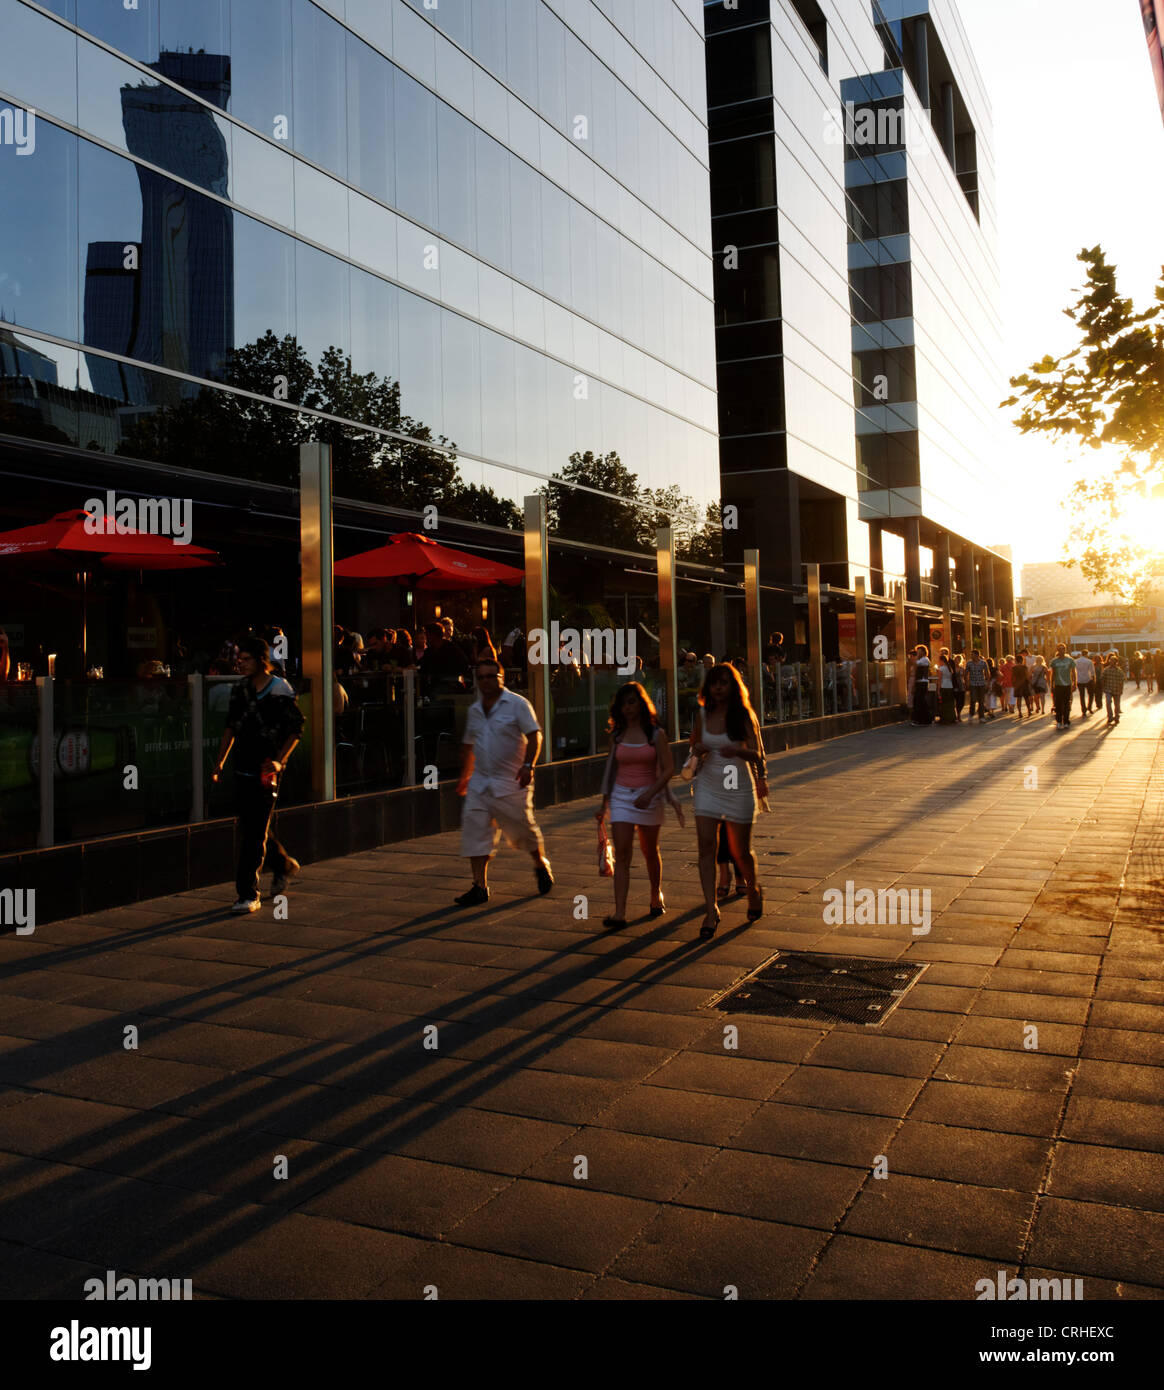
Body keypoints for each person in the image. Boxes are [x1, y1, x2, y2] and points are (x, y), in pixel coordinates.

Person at [211, 637, 304, 914]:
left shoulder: (280, 690)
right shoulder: (240, 689)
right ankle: (283, 864)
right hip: (242, 764)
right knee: (250, 825)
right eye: (239, 659)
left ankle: (247, 893)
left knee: (254, 830)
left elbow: (296, 729)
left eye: (246, 659)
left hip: (266, 769)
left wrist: (278, 761)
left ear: (262, 661)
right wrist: (219, 763)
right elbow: (231, 726)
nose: (240, 663)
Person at [454, 658, 553, 905]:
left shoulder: (518, 704)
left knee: (523, 830)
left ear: (501, 678)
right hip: (480, 783)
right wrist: (465, 776)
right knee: (475, 831)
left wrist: (529, 765)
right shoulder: (475, 710)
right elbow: (469, 746)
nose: (486, 681)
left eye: (491, 676)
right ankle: (479, 885)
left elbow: (535, 735)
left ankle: (540, 864)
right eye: (482, 677)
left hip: (511, 781)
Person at [690, 663, 767, 939]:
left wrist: (738, 750)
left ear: (733, 686)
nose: (719, 687)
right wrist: (698, 750)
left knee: (740, 851)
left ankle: (753, 890)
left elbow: (757, 753)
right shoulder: (701, 714)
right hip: (708, 786)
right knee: (706, 847)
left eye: (724, 683)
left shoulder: (743, 714)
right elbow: (694, 746)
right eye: (714, 683)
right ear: (708, 687)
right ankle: (711, 910)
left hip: (738, 787)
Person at [595, 683, 675, 929]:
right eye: (623, 703)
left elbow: (669, 769)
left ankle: (655, 894)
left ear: (641, 703)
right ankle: (619, 913)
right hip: (621, 797)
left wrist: (650, 793)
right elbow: (611, 770)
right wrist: (604, 803)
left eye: (632, 702)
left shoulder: (655, 734)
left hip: (649, 796)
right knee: (622, 854)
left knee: (650, 851)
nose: (628, 707)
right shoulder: (617, 736)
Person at [419, 620, 469, 696]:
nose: (426, 637)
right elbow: (422, 665)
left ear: (433, 635)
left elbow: (464, 663)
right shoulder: (429, 651)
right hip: (434, 685)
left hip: (449, 685)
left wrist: (453, 679)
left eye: (427, 634)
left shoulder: (451, 648)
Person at [1049, 643, 1077, 729]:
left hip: (1067, 684)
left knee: (1066, 703)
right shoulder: (1054, 661)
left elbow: (1073, 672)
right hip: (1058, 685)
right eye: (1059, 649)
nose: (1061, 650)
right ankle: (1058, 721)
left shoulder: (1070, 660)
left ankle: (1066, 721)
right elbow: (1052, 673)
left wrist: (1074, 683)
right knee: (1058, 703)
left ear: (1065, 650)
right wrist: (1051, 684)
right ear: (1057, 650)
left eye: (1063, 649)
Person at [964, 648, 989, 722]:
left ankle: (981, 717)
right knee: (973, 699)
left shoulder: (983, 663)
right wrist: (966, 682)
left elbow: (987, 673)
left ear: (977, 655)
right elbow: (966, 673)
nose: (971, 656)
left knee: (981, 701)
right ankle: (971, 714)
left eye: (973, 655)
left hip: (981, 683)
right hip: (973, 683)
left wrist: (987, 682)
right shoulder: (969, 663)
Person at [1101, 650, 1125, 725]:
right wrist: (1103, 687)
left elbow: (1122, 680)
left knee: (1117, 705)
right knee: (1108, 703)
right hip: (1108, 689)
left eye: (1112, 661)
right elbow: (1102, 678)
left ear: (1115, 662)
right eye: (1110, 661)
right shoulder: (1106, 670)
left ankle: (1116, 717)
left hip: (1117, 690)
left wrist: (1121, 689)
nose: (1110, 662)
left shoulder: (1119, 671)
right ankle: (1110, 717)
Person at [910, 645, 932, 725]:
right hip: (919, 681)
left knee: (920, 700)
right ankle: (920, 719)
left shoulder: (925, 659)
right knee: (918, 700)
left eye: (919, 651)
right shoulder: (921, 659)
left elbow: (916, 664)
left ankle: (925, 719)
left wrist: (915, 658)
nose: (917, 653)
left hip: (923, 682)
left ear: (923, 651)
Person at [936, 648, 958, 724]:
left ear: (941, 661)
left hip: (944, 686)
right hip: (950, 686)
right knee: (950, 703)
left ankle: (945, 718)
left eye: (939, 660)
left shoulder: (941, 668)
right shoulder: (949, 668)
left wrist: (938, 690)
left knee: (944, 703)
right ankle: (952, 717)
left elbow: (939, 680)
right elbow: (951, 678)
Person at [1075, 649, 1096, 716]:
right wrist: (1094, 679)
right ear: (1087, 654)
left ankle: (1083, 710)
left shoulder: (1076, 661)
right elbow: (1092, 671)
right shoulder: (1089, 661)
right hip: (1088, 679)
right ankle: (1089, 707)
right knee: (1091, 694)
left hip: (1079, 679)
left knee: (1082, 695)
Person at [1012, 652, 1031, 719]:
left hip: (1017, 685)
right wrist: (1030, 682)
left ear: (1016, 660)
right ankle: (1029, 711)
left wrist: (1014, 684)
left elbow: (1013, 677)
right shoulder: (1024, 667)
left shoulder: (1014, 668)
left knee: (1019, 699)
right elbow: (1027, 676)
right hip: (1024, 684)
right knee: (1026, 698)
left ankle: (1020, 713)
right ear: (1022, 660)